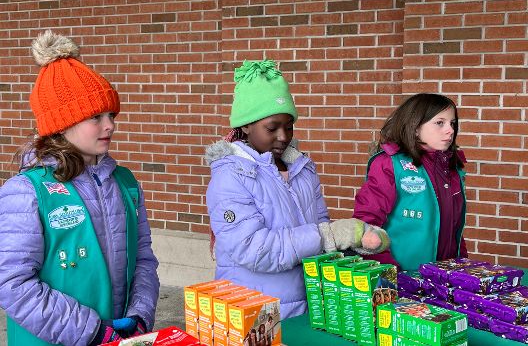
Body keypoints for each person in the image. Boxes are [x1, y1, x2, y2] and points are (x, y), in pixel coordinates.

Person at [0, 30, 160, 345]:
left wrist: (140, 315)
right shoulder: (27, 192)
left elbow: (143, 258)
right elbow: (13, 283)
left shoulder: (124, 182)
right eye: (96, 116)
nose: (110, 125)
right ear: (62, 123)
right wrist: (92, 331)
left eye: (111, 114)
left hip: (119, 336)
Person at [205, 60, 389, 319]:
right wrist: (327, 237)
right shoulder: (230, 177)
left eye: (289, 126)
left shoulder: (302, 169)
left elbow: (321, 227)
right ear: (246, 126)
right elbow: (252, 248)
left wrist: (351, 243)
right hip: (254, 313)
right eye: (272, 128)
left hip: (305, 306)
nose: (283, 136)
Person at [353, 93, 468, 271]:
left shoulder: (452, 168)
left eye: (452, 123)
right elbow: (367, 225)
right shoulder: (390, 164)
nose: (450, 130)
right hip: (403, 277)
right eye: (440, 123)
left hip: (444, 278)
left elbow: (454, 227)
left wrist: (462, 265)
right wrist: (389, 271)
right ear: (415, 127)